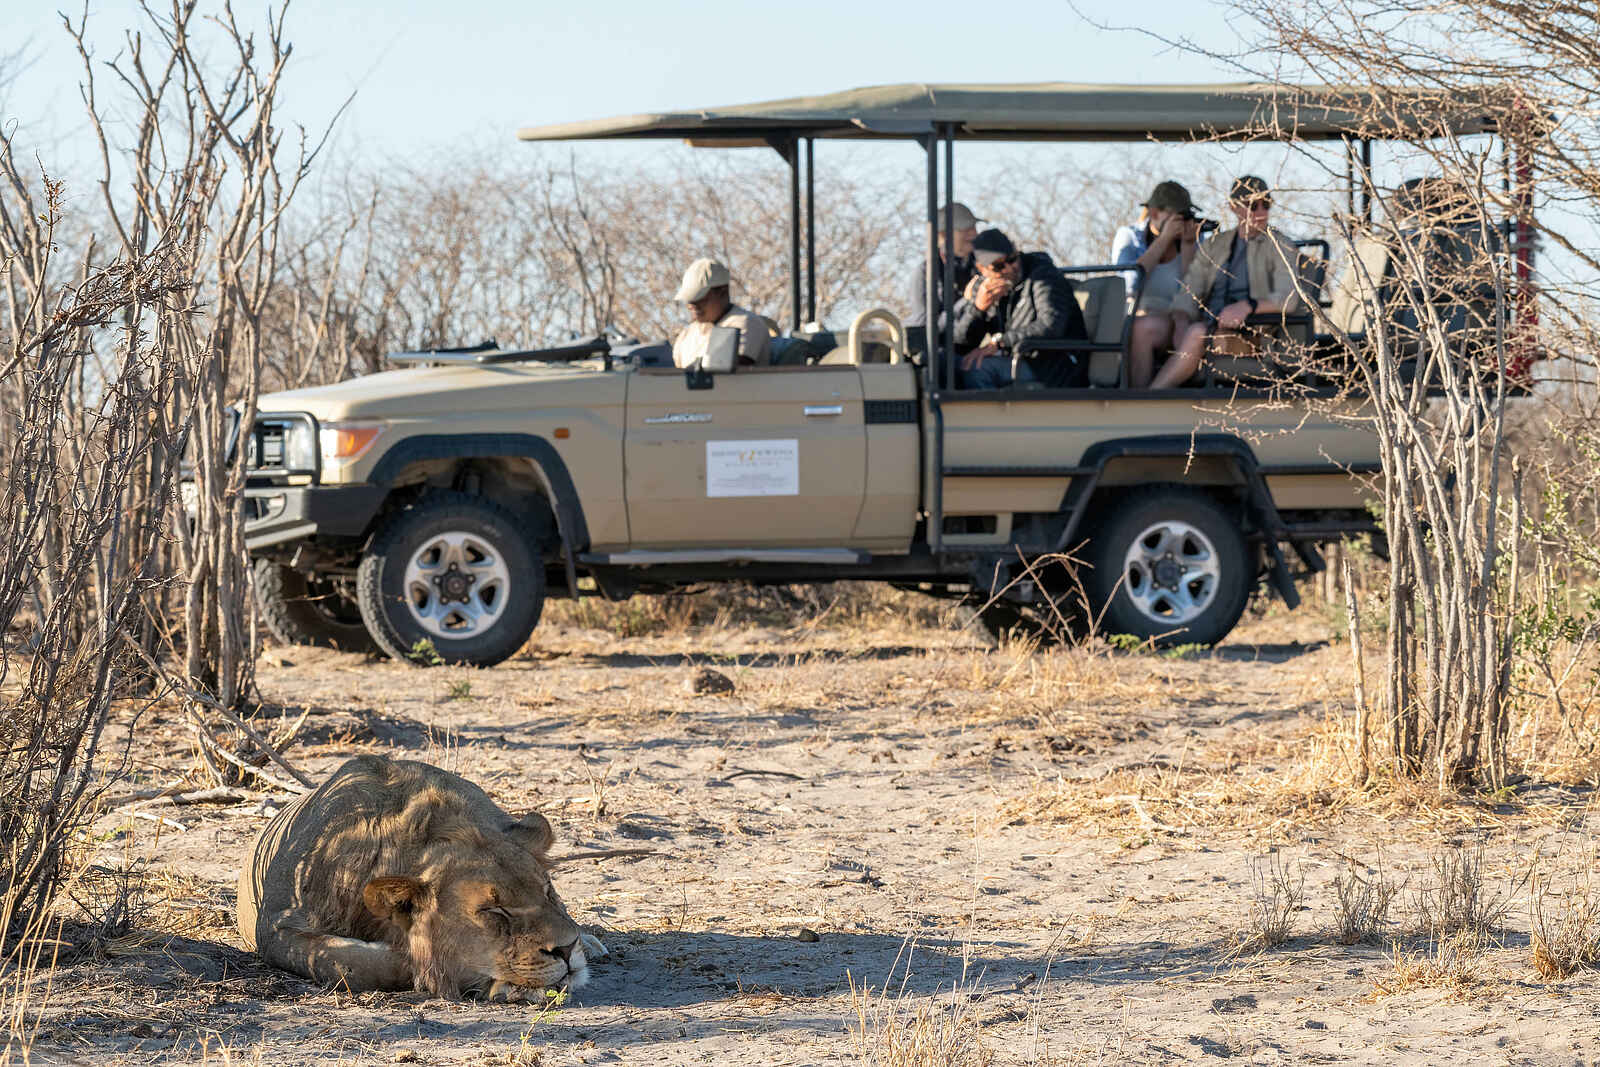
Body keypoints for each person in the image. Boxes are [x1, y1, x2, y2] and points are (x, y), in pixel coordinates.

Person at [1152, 176, 1302, 390]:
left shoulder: (1280, 246)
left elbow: (1288, 299)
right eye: (1252, 205)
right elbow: (1189, 290)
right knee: (1150, 328)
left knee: (1196, 334)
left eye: (1266, 205)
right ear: (1234, 207)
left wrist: (1248, 306)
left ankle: (1148, 399)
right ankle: (1131, 392)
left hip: (1254, 336)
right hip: (1209, 326)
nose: (1261, 212)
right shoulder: (1216, 245)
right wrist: (1180, 318)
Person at [952, 229, 1087, 389]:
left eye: (1012, 259)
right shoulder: (985, 288)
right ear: (982, 269)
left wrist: (1001, 342)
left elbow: (1051, 325)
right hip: (1020, 358)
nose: (1009, 268)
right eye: (999, 266)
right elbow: (961, 345)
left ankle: (991, 415)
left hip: (1052, 364)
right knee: (953, 365)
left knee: (978, 370)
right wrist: (978, 309)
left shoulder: (1043, 275)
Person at [1111, 181, 1204, 388]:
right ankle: (1138, 399)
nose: (1181, 223)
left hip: (1180, 318)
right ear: (1154, 213)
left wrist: (1189, 246)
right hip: (1141, 317)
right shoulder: (1130, 237)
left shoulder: (1193, 239)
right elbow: (1129, 282)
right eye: (1176, 217)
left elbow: (1196, 292)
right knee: (1141, 328)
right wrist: (1163, 240)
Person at [670, 258, 772, 368]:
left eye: (699, 298)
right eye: (689, 300)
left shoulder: (746, 323)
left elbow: (729, 372)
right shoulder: (687, 334)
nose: (692, 305)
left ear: (722, 291)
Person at [906, 201, 982, 332]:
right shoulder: (926, 272)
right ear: (943, 234)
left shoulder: (981, 265)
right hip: (941, 350)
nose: (973, 234)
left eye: (974, 227)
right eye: (965, 229)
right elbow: (925, 329)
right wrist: (968, 300)